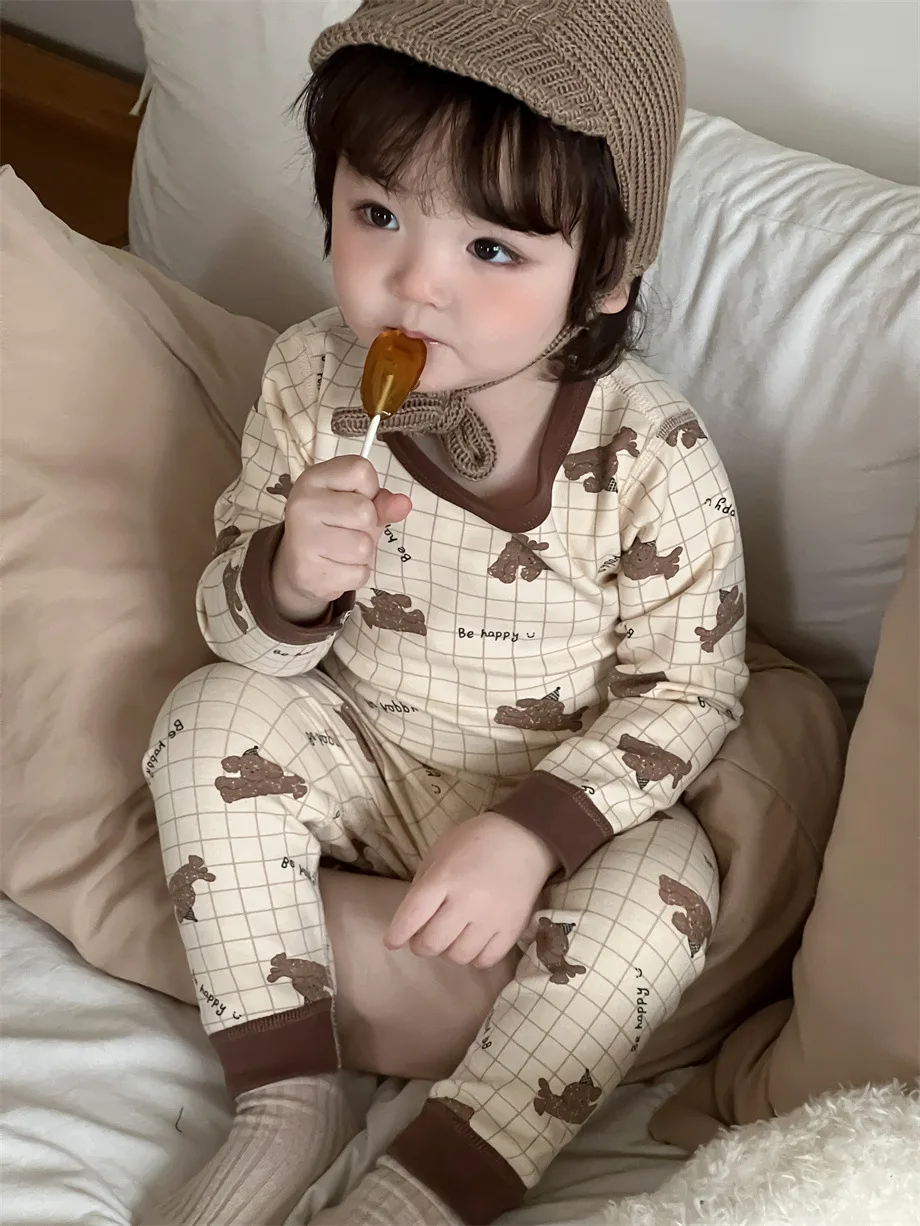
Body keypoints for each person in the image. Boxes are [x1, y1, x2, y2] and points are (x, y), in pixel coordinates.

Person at [141, 2, 748, 1223]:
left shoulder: (650, 454)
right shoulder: (311, 377)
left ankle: (426, 1185)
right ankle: (285, 1097)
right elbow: (236, 633)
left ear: (604, 277)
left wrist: (531, 834)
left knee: (670, 888)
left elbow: (692, 690)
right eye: (377, 215)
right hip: (363, 757)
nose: (415, 284)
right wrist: (286, 577)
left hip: (556, 803)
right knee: (207, 713)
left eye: (490, 249)